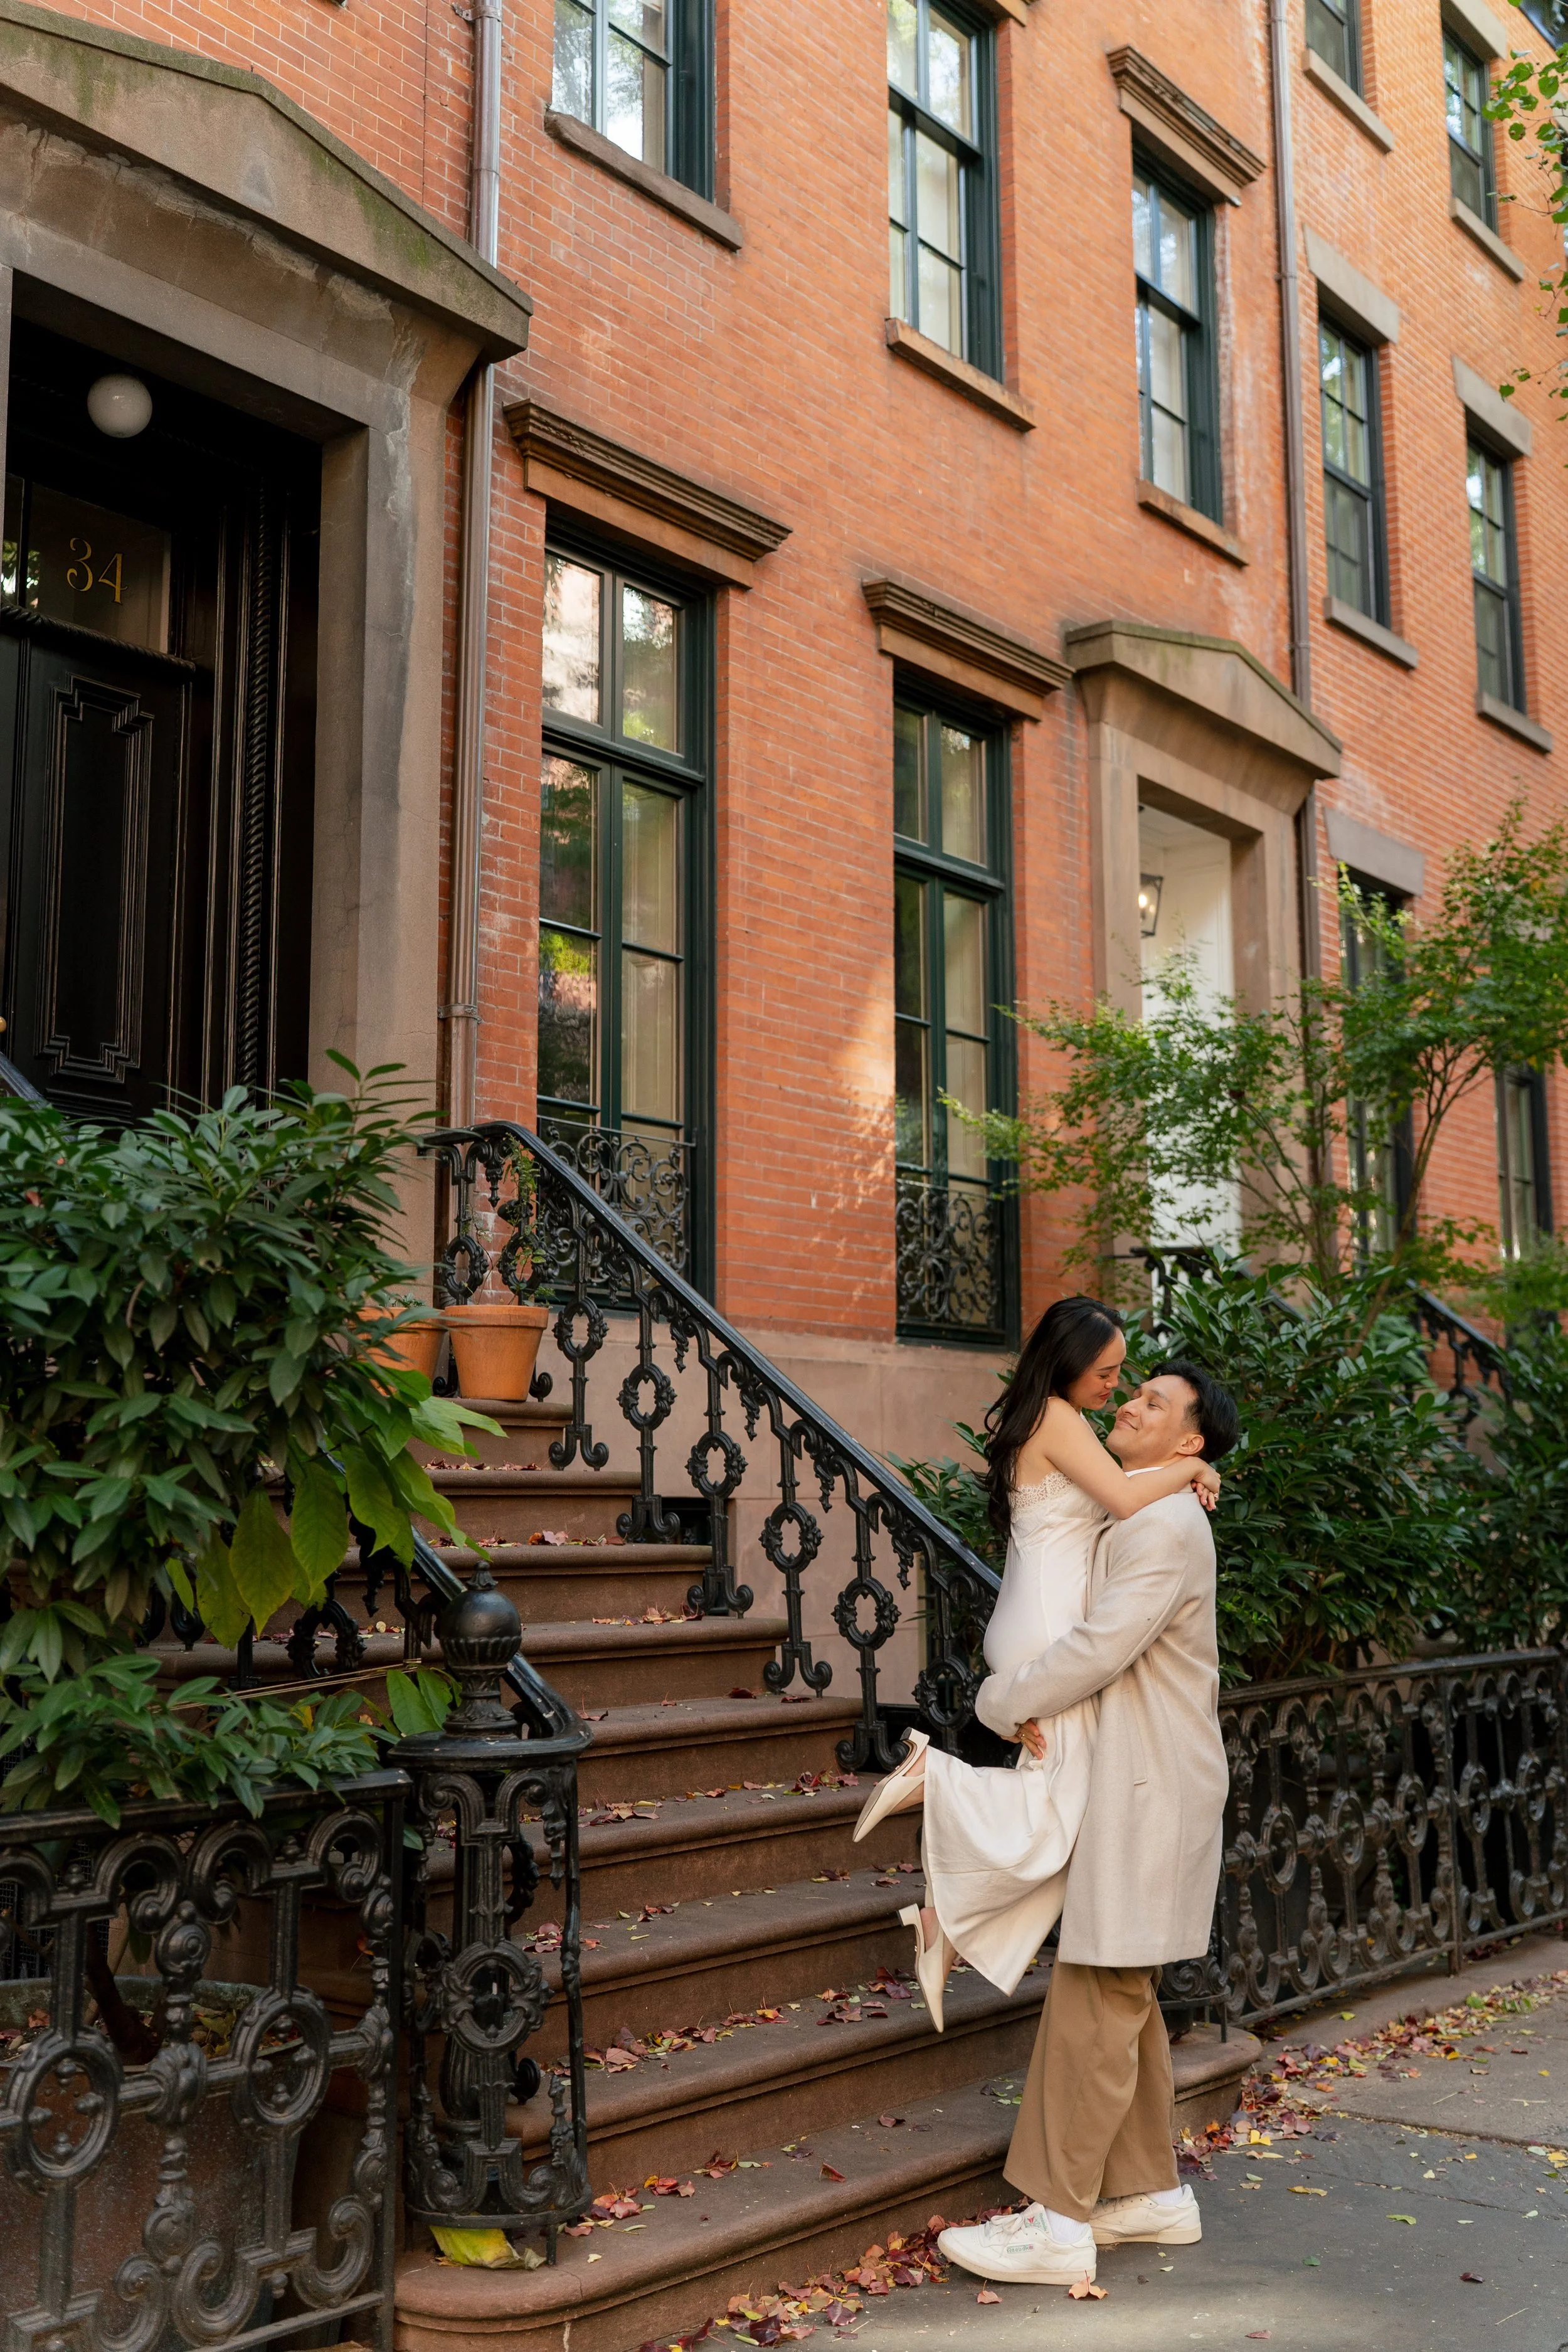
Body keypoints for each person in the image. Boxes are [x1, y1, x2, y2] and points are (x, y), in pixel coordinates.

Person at [936, 1359, 1239, 2290]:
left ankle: (1058, 2217)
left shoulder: (1164, 1524)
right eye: (1134, 1389)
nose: (1131, 1403)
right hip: (1137, 1779)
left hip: (1151, 1786)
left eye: (1152, 1401)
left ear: (1187, 1439)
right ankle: (1147, 2190)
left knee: (1095, 1992)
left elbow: (1101, 1647)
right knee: (1123, 1985)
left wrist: (996, 1700)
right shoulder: (1153, 1505)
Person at [852, 1298, 1219, 2027]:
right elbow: (1120, 1498)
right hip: (1050, 1631)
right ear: (1070, 1363)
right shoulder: (1058, 1417)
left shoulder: (1054, 1419)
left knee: (1064, 1806)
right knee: (1066, 1808)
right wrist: (1192, 1467)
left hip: (1033, 1624)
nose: (1116, 1387)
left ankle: (943, 1928)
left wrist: (1186, 1468)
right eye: (1109, 1373)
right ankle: (938, 1779)